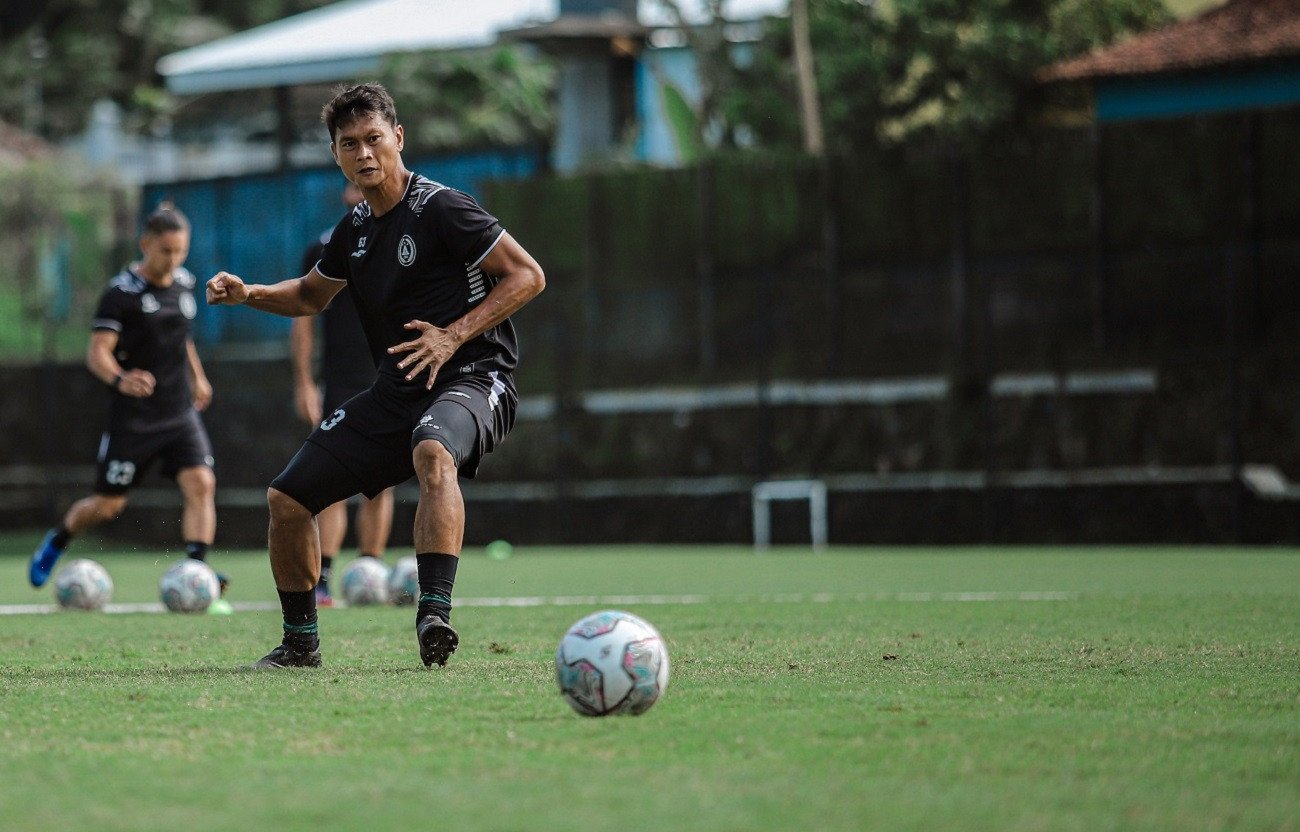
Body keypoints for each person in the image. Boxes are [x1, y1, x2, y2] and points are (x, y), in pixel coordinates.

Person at [206, 83, 545, 669]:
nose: (364, 153)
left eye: (373, 139)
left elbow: (527, 275)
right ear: (335, 154)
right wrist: (250, 293)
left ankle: (433, 614)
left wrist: (453, 334)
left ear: (398, 139)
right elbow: (312, 295)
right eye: (349, 144)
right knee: (287, 499)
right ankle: (299, 643)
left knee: (433, 450)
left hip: (475, 375)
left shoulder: (443, 208)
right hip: (397, 389)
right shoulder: (354, 230)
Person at [30, 204, 229, 608]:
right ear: (145, 245)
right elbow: (96, 354)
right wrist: (122, 379)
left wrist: (198, 376)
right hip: (134, 420)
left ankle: (198, 572)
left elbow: (182, 336)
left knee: (201, 484)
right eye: (165, 251)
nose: (173, 260)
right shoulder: (120, 294)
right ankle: (59, 538)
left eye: (180, 251)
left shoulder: (185, 283)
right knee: (107, 506)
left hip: (179, 412)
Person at [292, 182, 395, 607]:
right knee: (334, 480)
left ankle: (369, 570)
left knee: (382, 482)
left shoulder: (401, 237)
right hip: (340, 381)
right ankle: (323, 578)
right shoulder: (324, 246)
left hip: (389, 376)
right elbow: (303, 316)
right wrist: (303, 381)